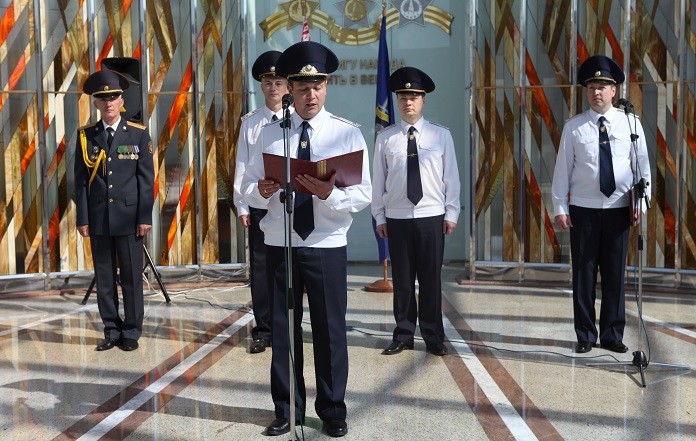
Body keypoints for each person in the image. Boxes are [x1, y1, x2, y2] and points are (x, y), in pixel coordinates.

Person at [241, 41, 371, 438]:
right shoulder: (269, 134)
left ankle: (332, 410)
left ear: (326, 87)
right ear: (290, 91)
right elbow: (246, 186)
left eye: (317, 87)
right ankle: (287, 409)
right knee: (283, 329)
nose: (310, 95)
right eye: (301, 88)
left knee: (330, 330)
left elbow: (363, 193)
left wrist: (330, 193)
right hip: (280, 242)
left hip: (326, 244)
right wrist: (260, 191)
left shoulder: (346, 133)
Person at [551, 55, 651, 354]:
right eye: (592, 87)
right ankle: (585, 335)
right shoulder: (574, 127)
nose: (597, 92)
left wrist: (640, 206)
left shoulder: (630, 123)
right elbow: (562, 170)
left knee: (614, 274)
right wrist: (560, 207)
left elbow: (642, 168)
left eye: (603, 87)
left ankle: (611, 334)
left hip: (619, 210)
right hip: (584, 211)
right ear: (587, 90)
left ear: (614, 91)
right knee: (584, 274)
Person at [372, 66, 461, 357]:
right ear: (397, 101)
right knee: (403, 281)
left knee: (431, 279)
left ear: (423, 100)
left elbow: (451, 177)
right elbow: (378, 180)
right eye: (402, 97)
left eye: (413, 97)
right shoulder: (386, 138)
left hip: (431, 216)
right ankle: (404, 334)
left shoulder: (440, 135)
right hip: (397, 217)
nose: (407, 102)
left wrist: (451, 213)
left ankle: (434, 336)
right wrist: (379, 215)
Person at [74, 69, 155, 352]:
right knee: (105, 278)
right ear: (96, 103)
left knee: (131, 277)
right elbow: (80, 181)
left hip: (130, 219)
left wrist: (144, 217)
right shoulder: (86, 136)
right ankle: (111, 328)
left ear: (122, 101)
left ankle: (131, 330)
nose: (108, 103)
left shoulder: (138, 134)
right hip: (99, 219)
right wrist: (83, 218)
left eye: (113, 98)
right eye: (103, 99)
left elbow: (146, 181)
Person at [233, 50, 292, 354]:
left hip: (291, 207)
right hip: (260, 205)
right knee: (261, 271)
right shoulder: (251, 123)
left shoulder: (297, 119)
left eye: (278, 82)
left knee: (291, 270)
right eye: (268, 82)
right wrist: (241, 205)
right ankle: (264, 330)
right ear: (261, 85)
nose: (273, 87)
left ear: (288, 85)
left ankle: (289, 327)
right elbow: (242, 166)